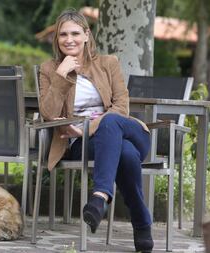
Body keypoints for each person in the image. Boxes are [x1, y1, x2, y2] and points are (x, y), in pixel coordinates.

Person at [38, 9, 154, 252]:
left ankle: (100, 194)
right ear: (57, 39)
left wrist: (88, 128)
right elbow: (48, 113)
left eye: (75, 33)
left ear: (87, 35)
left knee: (111, 123)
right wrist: (61, 75)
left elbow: (121, 106)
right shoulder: (50, 69)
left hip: (127, 130)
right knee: (124, 154)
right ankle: (140, 221)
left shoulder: (108, 63)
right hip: (84, 144)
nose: (69, 39)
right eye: (63, 35)